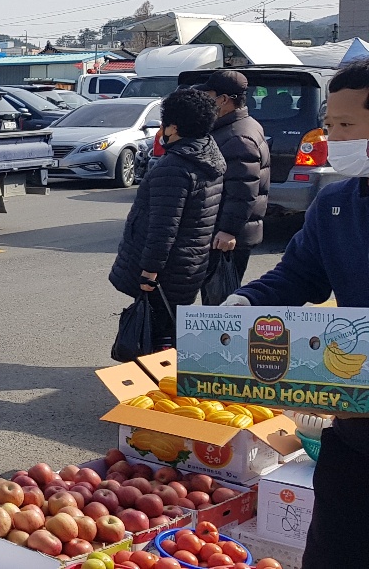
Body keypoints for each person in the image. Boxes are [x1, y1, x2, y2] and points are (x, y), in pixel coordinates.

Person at [222, 59, 369, 569]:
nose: (333, 139)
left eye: (346, 127)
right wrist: (240, 305)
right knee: (335, 550)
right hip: (355, 423)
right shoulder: (336, 204)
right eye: (330, 125)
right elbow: (296, 277)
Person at [108, 88, 224, 349]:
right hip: (191, 262)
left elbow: (163, 227)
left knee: (157, 332)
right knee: (170, 325)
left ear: (173, 127)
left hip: (168, 268)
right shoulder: (209, 155)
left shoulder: (174, 168)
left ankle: (160, 382)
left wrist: (149, 272)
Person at [195, 70, 269, 286]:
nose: (205, 101)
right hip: (223, 233)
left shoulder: (238, 136)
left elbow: (243, 190)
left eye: (208, 96)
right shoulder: (235, 127)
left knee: (221, 306)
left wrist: (228, 230)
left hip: (226, 239)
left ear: (224, 99)